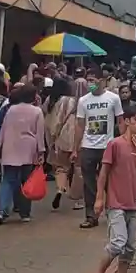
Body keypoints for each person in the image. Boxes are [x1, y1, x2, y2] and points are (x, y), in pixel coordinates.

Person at [88, 103, 136, 273]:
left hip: (134, 201)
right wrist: (99, 198)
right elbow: (103, 173)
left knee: (130, 246)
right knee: (118, 242)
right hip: (116, 202)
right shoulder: (115, 144)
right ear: (127, 121)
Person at [75, 68, 125, 229]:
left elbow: (121, 121)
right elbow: (80, 125)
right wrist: (76, 148)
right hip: (88, 146)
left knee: (110, 182)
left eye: (93, 80)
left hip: (107, 146)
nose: (90, 84)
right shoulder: (83, 101)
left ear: (102, 81)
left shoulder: (114, 99)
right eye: (88, 80)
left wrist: (124, 141)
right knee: (88, 183)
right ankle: (91, 216)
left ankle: (114, 212)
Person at [0, 84, 46, 224]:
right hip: (28, 149)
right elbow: (39, 133)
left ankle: (2, 210)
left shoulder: (11, 110)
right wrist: (41, 151)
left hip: (10, 147)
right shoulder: (37, 112)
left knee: (8, 180)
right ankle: (25, 213)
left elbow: (4, 129)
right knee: (26, 181)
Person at [45, 77, 80, 211]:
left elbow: (50, 120)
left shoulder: (50, 100)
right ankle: (76, 199)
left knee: (61, 167)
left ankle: (60, 189)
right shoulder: (72, 101)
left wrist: (52, 137)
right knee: (77, 168)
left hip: (60, 137)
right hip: (75, 136)